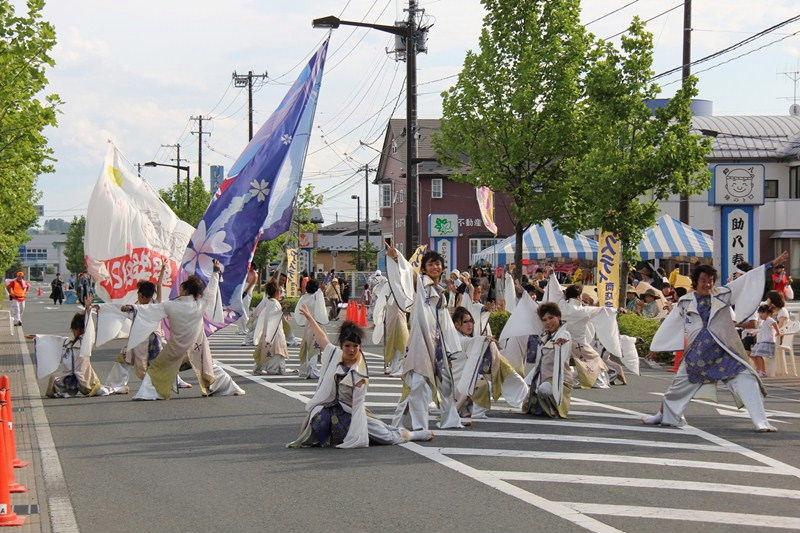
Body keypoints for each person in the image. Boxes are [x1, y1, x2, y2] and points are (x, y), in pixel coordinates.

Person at [642, 252, 789, 432]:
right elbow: (671, 325)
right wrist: (657, 347)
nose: (708, 284)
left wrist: (771, 264)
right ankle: (663, 415)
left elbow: (746, 281)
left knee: (748, 380)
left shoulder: (722, 294)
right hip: (697, 354)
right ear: (696, 281)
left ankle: (761, 422)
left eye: (711, 280)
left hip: (724, 350)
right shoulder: (685, 301)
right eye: (704, 280)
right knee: (677, 388)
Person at [287, 309, 433, 448]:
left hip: (352, 411)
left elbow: (357, 405)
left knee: (386, 436)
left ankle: (415, 434)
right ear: (341, 346)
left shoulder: (359, 370)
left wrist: (357, 434)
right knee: (317, 418)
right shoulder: (334, 354)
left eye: (355, 346)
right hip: (330, 409)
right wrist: (310, 318)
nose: (351, 350)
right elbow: (322, 338)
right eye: (347, 346)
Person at [125, 268, 245, 400]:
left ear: (186, 290)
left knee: (156, 368)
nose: (179, 290)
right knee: (209, 367)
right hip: (196, 346)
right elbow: (210, 291)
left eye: (181, 288)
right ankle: (231, 387)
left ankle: (148, 394)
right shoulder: (200, 304)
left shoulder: (171, 305)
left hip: (176, 348)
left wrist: (133, 307)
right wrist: (215, 273)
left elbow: (151, 309)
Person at [387, 246, 463, 431]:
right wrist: (397, 258)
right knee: (419, 383)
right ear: (424, 268)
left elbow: (445, 322)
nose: (435, 267)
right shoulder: (420, 283)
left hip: (438, 343)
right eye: (431, 264)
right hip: (421, 342)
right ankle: (418, 425)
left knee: (445, 382)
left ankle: (450, 420)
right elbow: (407, 276)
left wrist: (451, 346)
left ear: (443, 268)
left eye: (438, 264)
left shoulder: (441, 291)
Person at [449, 306, 527, 418]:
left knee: (484, 379)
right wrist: (485, 340)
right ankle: (477, 413)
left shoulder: (464, 338)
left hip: (463, 380)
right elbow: (471, 342)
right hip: (457, 383)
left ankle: (467, 408)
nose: (470, 324)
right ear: (456, 325)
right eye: (465, 322)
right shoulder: (457, 339)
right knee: (484, 384)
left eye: (471, 321)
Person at [30, 295, 109, 398]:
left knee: (102, 392)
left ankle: (118, 388)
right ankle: (65, 391)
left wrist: (87, 309)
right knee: (53, 379)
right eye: (74, 329)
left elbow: (88, 325)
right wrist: (38, 337)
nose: (74, 331)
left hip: (84, 377)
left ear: (82, 329)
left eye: (76, 329)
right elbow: (55, 340)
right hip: (69, 377)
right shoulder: (69, 341)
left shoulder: (85, 341)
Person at [522, 302, 573, 418]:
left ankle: (555, 409)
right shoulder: (544, 336)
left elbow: (562, 357)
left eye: (551, 318)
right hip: (544, 377)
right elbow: (539, 363)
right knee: (527, 401)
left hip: (560, 379)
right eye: (544, 320)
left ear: (558, 317)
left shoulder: (565, 335)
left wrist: (559, 345)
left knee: (544, 389)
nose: (548, 322)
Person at [371, 273, 409, 376]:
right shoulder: (388, 285)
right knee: (390, 341)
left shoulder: (405, 285)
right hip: (390, 317)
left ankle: (400, 366)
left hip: (400, 317)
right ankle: (392, 365)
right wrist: (379, 317)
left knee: (401, 340)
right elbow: (380, 299)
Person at [294, 278, 330, 379]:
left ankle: (305, 370)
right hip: (316, 324)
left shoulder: (304, 297)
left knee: (307, 348)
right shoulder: (317, 296)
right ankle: (312, 370)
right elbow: (321, 310)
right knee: (315, 348)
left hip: (307, 326)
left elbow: (298, 311)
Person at [252, 281, 290, 375]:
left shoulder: (268, 301)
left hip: (267, 331)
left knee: (265, 349)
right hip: (275, 331)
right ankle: (275, 369)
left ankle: (262, 367)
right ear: (277, 292)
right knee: (277, 351)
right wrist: (282, 311)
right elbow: (274, 316)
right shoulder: (275, 303)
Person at [751, 304, 778, 377]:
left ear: (768, 313)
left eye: (762, 313)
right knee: (754, 354)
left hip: (768, 342)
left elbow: (775, 323)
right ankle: (760, 370)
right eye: (760, 313)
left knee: (758, 355)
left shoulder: (769, 319)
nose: (760, 315)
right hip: (762, 341)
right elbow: (762, 329)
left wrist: (777, 332)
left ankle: (762, 371)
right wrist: (755, 332)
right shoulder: (764, 321)